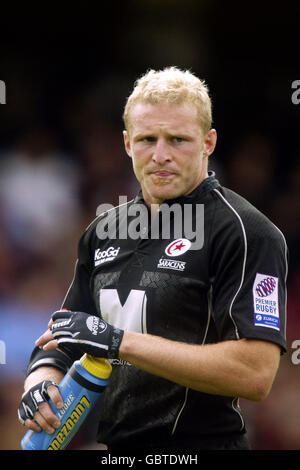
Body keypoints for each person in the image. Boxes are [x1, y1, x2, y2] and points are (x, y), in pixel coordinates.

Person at [18, 67, 288, 451]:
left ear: (208, 142)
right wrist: (38, 385)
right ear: (127, 143)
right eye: (147, 139)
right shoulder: (103, 230)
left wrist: (118, 342)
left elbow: (255, 374)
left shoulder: (246, 231)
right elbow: (64, 339)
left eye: (177, 139)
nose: (160, 155)